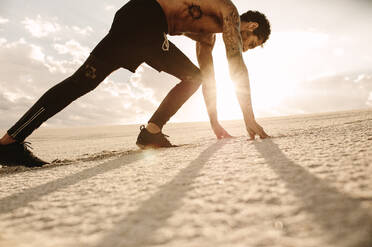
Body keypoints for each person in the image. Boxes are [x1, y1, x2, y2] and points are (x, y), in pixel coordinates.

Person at [0, 0, 271, 167]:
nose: (246, 48)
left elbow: (206, 79)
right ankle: (152, 132)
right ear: (250, 26)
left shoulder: (206, 37)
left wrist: (214, 122)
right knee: (80, 83)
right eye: (252, 43)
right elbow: (236, 64)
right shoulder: (229, 10)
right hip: (147, 18)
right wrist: (249, 118)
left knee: (79, 83)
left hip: (133, 19)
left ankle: (9, 142)